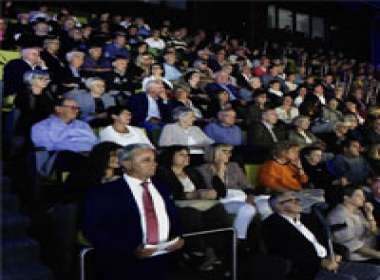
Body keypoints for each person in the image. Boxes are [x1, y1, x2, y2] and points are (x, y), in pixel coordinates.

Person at [83, 144, 184, 280]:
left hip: (163, 261)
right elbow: (93, 230)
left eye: (154, 159)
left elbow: (173, 217)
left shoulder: (162, 188)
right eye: (146, 160)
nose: (154, 164)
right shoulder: (104, 193)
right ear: (126, 163)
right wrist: (130, 250)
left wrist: (177, 238)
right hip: (123, 265)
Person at [263, 191, 380, 280]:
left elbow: (325, 239)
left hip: (331, 260)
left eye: (296, 199)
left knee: (376, 271)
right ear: (279, 206)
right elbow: (286, 253)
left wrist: (336, 253)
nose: (297, 202)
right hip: (310, 269)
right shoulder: (272, 225)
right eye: (291, 200)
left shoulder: (308, 218)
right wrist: (320, 262)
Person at [155, 146, 230, 271]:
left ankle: (217, 249)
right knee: (191, 213)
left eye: (188, 155)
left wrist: (210, 192)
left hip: (198, 203)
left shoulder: (192, 172)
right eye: (182, 154)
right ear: (171, 157)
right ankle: (196, 252)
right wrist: (191, 195)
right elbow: (168, 193)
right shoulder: (163, 172)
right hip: (177, 205)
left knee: (217, 208)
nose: (186, 157)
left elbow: (216, 191)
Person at [197, 144, 257, 241]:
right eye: (225, 151)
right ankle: (237, 240)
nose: (229, 154)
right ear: (213, 153)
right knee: (248, 209)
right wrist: (220, 170)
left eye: (230, 152)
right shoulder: (202, 169)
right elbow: (216, 190)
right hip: (222, 200)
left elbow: (247, 186)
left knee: (268, 203)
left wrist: (250, 197)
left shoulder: (234, 166)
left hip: (241, 196)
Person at [31, 97, 98, 173]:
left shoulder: (83, 125)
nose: (76, 110)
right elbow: (47, 148)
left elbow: (96, 143)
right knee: (69, 155)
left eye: (77, 108)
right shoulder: (42, 126)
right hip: (61, 157)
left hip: (88, 154)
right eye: (72, 108)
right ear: (58, 109)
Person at [327, 186, 380, 263]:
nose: (363, 198)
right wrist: (378, 255)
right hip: (361, 258)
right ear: (346, 198)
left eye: (363, 195)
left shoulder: (357, 211)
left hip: (374, 247)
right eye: (358, 196)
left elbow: (374, 231)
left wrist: (369, 214)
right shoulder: (337, 217)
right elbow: (353, 246)